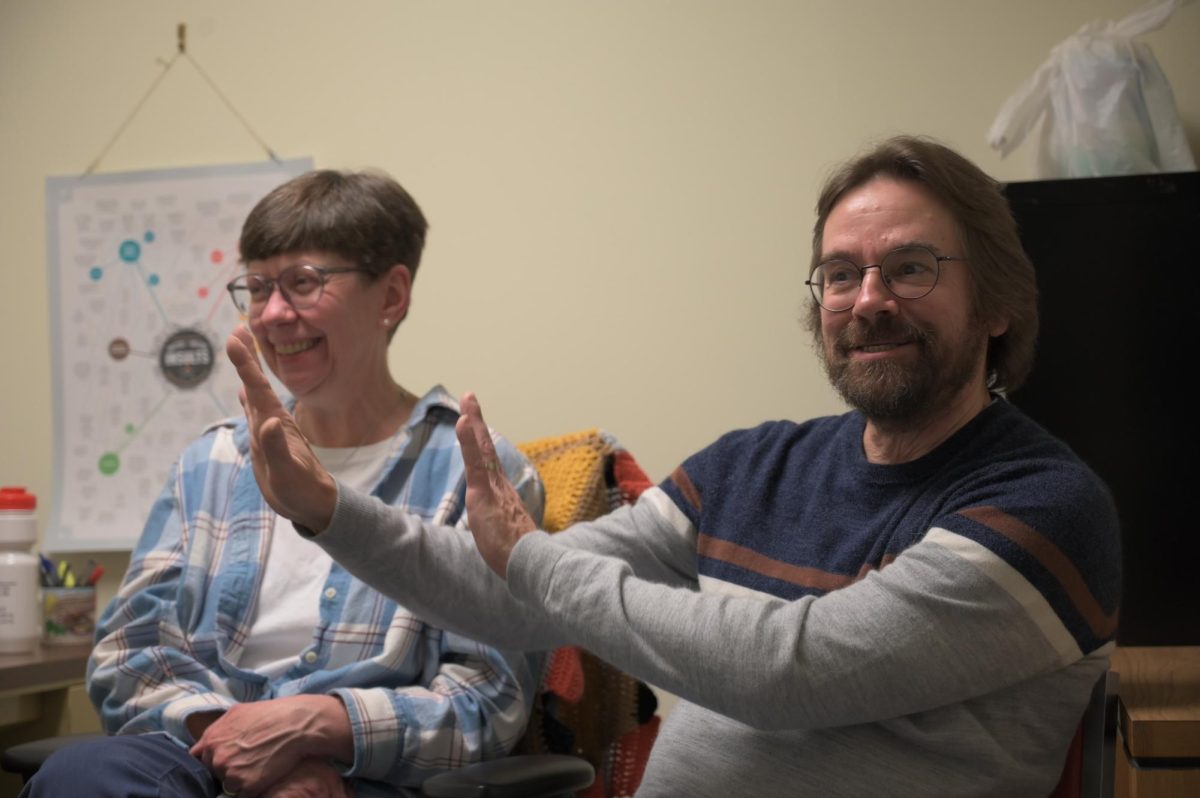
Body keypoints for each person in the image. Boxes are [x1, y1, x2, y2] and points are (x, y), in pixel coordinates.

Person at [228, 137, 1121, 797]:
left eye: (911, 268)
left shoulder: (1043, 506)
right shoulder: (752, 465)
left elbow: (786, 673)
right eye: (841, 274)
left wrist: (530, 557)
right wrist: (326, 509)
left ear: (998, 301)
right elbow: (510, 599)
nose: (869, 300)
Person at [26, 170, 544, 798]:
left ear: (391, 296)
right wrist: (236, 739)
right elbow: (127, 653)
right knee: (79, 777)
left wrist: (318, 728)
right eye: (258, 287)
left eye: (302, 283)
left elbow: (489, 699)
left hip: (367, 778)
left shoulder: (478, 475)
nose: (272, 314)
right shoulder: (211, 461)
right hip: (199, 758)